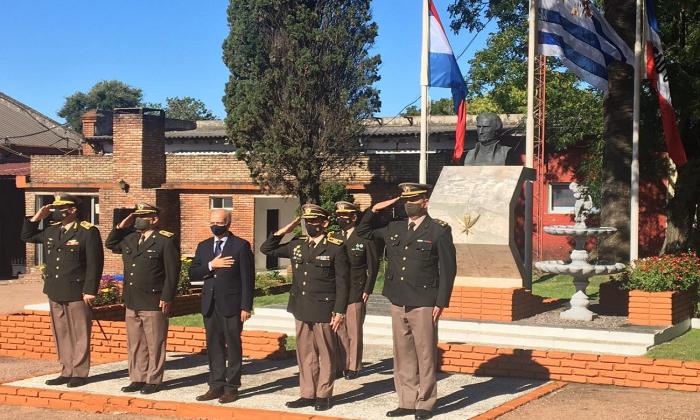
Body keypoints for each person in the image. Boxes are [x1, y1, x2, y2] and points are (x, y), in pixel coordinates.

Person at [355, 183, 456, 420]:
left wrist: (440, 302)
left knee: (425, 354)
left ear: (425, 202)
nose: (409, 204)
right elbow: (363, 231)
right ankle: (407, 401)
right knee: (403, 354)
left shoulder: (438, 231)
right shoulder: (395, 227)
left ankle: (426, 402)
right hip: (398, 298)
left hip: (424, 301)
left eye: (414, 200)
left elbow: (448, 269)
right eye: (405, 200)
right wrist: (377, 207)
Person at [260, 204, 349, 412]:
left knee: (326, 353)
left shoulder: (336, 246)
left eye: (315, 221)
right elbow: (267, 249)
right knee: (305, 353)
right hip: (301, 306)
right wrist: (286, 229)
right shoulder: (297, 244)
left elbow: (343, 282)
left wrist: (340, 311)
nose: (310, 225)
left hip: (324, 308)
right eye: (307, 221)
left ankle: (324, 395)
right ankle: (307, 393)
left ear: (325, 223)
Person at [21, 193, 104, 388]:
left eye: (60, 208)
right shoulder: (52, 230)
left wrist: (90, 290)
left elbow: (95, 263)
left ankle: (80, 372)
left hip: (77, 290)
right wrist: (36, 218)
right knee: (62, 332)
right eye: (54, 208)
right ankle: (66, 370)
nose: (56, 212)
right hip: (55, 289)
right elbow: (26, 236)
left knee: (80, 332)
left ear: (72, 210)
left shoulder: (87, 231)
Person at [105, 203, 180, 395]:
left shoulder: (165, 240)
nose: (138, 219)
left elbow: (172, 272)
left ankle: (153, 380)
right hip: (132, 299)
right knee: (135, 342)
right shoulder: (130, 239)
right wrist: (123, 224)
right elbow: (111, 244)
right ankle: (137, 378)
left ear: (154, 219)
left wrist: (167, 297)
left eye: (142, 216)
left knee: (155, 342)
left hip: (154, 300)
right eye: (136, 216)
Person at [188, 209, 255, 404]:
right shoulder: (204, 246)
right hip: (210, 305)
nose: (215, 225)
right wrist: (211, 265)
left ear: (228, 223)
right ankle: (215, 385)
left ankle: (232, 387)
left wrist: (246, 307)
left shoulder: (241, 246)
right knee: (214, 346)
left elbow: (247, 279)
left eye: (219, 222)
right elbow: (193, 273)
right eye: (212, 222)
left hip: (232, 305)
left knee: (233, 346)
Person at [333, 201, 379, 380]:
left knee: (354, 331)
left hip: (356, 290)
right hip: (337, 292)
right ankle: (341, 364)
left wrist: (368, 288)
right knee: (339, 331)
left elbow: (373, 267)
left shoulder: (364, 239)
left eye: (345, 216)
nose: (341, 219)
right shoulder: (334, 237)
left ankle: (354, 366)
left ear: (353, 217)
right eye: (339, 216)